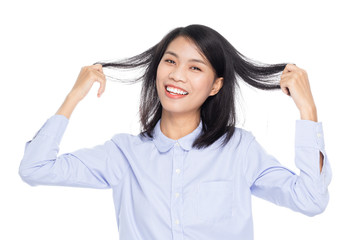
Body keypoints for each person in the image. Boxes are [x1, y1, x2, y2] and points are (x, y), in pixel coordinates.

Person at [19, 24, 331, 240]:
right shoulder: (123, 154)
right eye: (170, 61)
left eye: (195, 68)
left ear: (216, 85)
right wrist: (74, 96)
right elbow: (35, 168)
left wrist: (308, 112)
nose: (177, 75)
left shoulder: (239, 150)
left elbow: (310, 200)